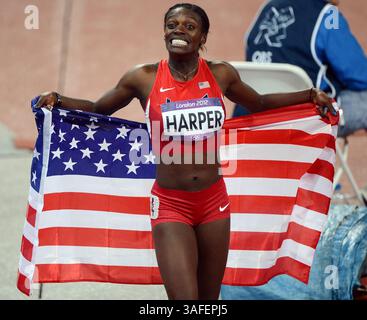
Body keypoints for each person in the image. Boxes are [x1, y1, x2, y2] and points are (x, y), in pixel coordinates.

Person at [35, 3, 336, 300]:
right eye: (172, 25)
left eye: (189, 26)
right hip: (170, 205)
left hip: (214, 203)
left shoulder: (221, 74)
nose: (179, 31)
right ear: (164, 32)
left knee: (208, 303)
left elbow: (258, 102)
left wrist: (309, 95)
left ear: (203, 37)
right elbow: (100, 109)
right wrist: (59, 99)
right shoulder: (143, 77)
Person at [232, 0, 367, 138]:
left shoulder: (267, 8)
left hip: (250, 120)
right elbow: (360, 77)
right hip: (306, 124)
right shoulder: (328, 16)